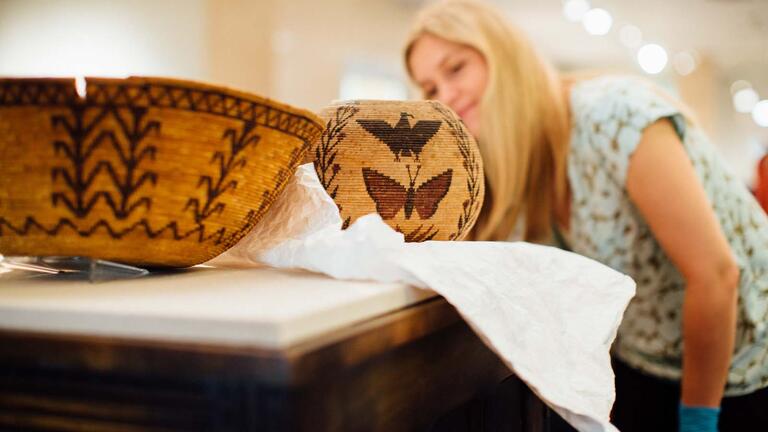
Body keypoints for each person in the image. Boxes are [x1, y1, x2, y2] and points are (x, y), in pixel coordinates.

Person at [403, 1, 768, 431]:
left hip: (743, 364)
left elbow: (716, 275)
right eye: (429, 88)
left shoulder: (613, 114)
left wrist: (699, 421)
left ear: (504, 55)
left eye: (456, 68)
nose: (445, 96)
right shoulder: (510, 163)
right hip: (643, 360)